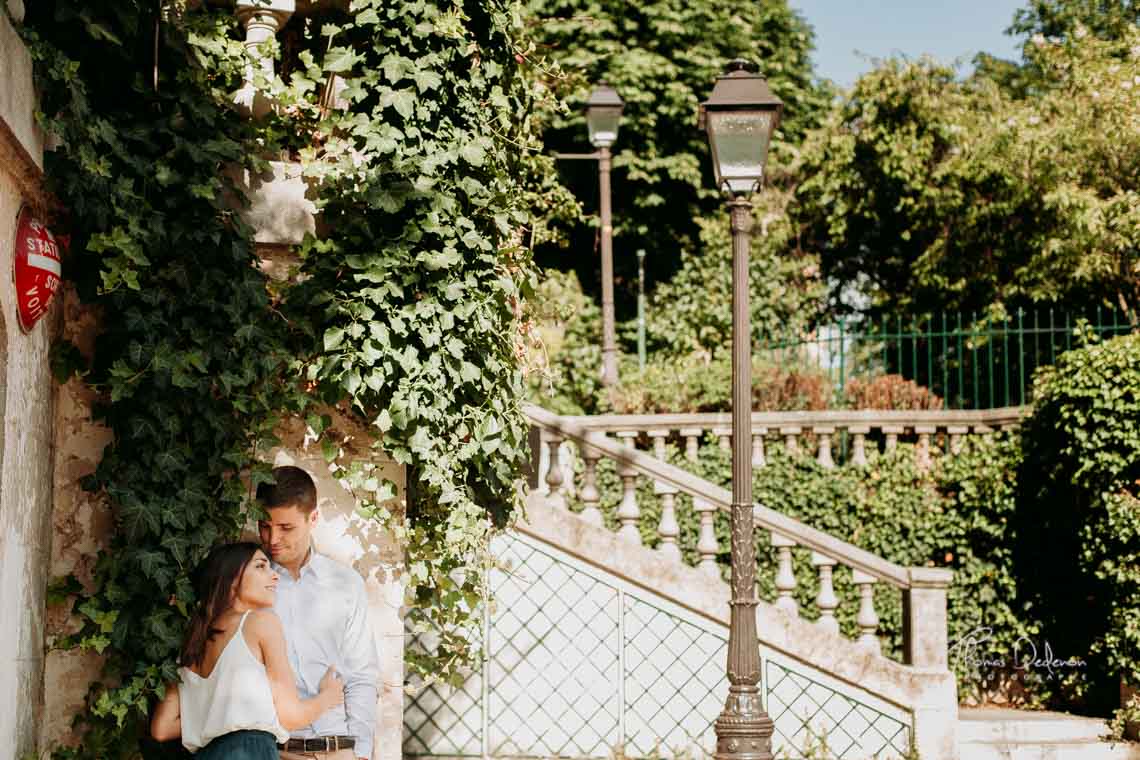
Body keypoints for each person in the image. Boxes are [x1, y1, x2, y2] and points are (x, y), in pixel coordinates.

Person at [150, 542, 346, 759]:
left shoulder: (191, 644)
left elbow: (162, 729)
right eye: (261, 566)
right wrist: (328, 697)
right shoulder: (260, 623)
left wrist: (219, 718)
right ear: (232, 578)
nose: (275, 576)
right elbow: (290, 716)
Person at [257, 465, 379, 760]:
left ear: (313, 519)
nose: (272, 539)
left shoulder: (346, 584)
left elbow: (361, 675)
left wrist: (360, 753)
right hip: (274, 751)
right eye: (265, 525)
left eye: (286, 528)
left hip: (337, 749)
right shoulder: (249, 584)